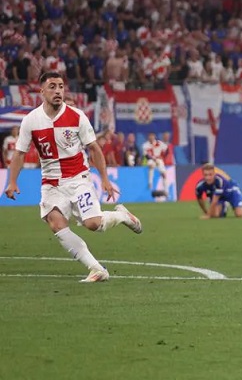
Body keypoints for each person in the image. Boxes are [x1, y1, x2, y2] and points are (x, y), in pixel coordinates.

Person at [4, 72, 142, 283]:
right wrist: (12, 181)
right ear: (42, 91)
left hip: (78, 179)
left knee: (93, 224)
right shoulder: (31, 120)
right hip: (51, 183)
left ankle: (122, 216)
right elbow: (20, 153)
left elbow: (94, 148)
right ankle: (96, 269)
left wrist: (104, 178)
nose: (58, 90)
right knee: (56, 223)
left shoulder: (77, 116)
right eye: (52, 86)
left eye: (61, 86)